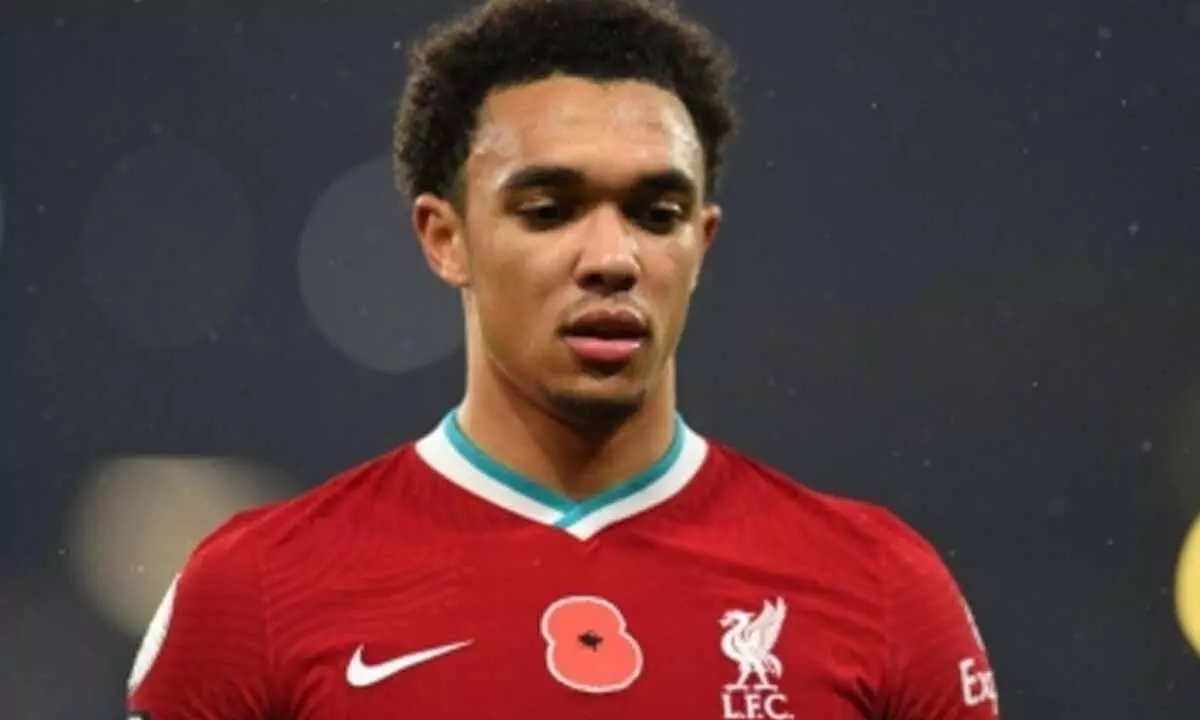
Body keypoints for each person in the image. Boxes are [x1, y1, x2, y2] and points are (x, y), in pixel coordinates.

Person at [126, 0, 1000, 717]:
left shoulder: (881, 588)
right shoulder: (256, 593)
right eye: (549, 211)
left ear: (701, 243)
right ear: (445, 238)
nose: (613, 258)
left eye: (656, 214)